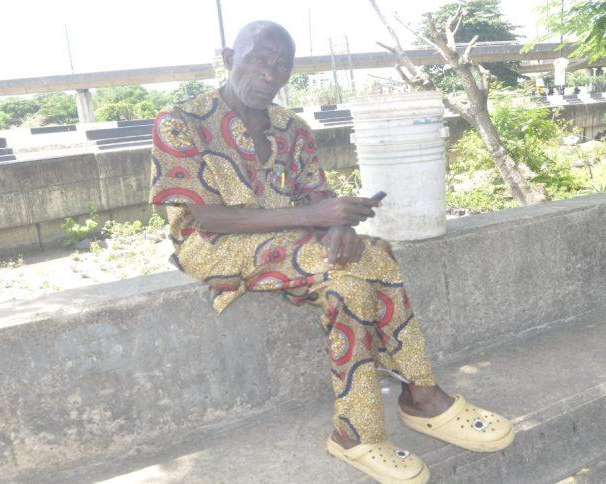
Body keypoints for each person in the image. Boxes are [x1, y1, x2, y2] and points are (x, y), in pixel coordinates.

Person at [148, 20, 514, 483]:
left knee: (348, 282)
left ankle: (354, 433)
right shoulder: (180, 121)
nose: (270, 74)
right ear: (228, 57)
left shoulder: (291, 128)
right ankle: (421, 394)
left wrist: (338, 227)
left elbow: (315, 196)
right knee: (375, 255)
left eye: (282, 66)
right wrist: (320, 219)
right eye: (260, 59)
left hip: (293, 244)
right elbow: (210, 218)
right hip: (215, 245)